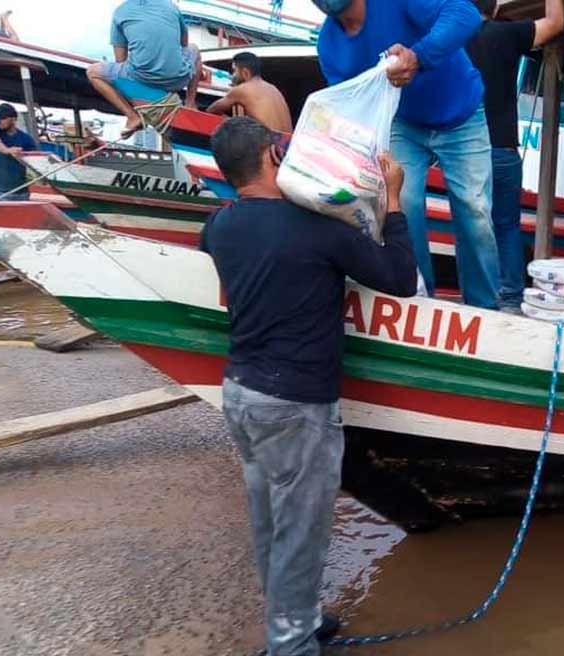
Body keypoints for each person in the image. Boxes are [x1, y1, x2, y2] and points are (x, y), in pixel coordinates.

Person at [199, 117, 417, 656]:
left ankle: (299, 618)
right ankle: (291, 644)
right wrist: (392, 198)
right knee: (302, 529)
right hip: (296, 402)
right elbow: (399, 279)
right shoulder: (317, 227)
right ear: (275, 158)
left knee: (272, 520)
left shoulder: (219, 227)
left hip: (242, 394)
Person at [312, 0, 502, 309]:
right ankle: (419, 299)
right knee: (403, 203)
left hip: (462, 114)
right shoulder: (329, 45)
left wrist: (418, 56)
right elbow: (347, 105)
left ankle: (484, 308)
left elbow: (464, 14)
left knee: (474, 210)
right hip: (402, 121)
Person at [465, 0, 564, 309]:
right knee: (507, 226)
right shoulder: (507, 34)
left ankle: (478, 297)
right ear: (494, 9)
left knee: (470, 225)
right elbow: (555, 21)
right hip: (504, 149)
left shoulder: (451, 39)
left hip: (465, 152)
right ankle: (510, 297)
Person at [86, 0, 203, 138]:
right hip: (178, 78)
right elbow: (183, 44)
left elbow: (120, 60)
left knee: (92, 72)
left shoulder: (120, 12)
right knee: (194, 48)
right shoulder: (171, 7)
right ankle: (190, 103)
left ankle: (132, 117)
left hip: (142, 79)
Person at [206, 51, 293, 133]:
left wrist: (230, 120)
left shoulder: (242, 89)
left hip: (269, 145)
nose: (233, 75)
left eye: (234, 71)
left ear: (245, 73)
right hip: (287, 144)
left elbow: (211, 110)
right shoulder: (274, 89)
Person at [0, 103, 37, 201]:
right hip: (0, 193)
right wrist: (7, 150)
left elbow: (36, 161)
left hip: (22, 193)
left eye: (3, 118)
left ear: (13, 119)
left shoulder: (26, 139)